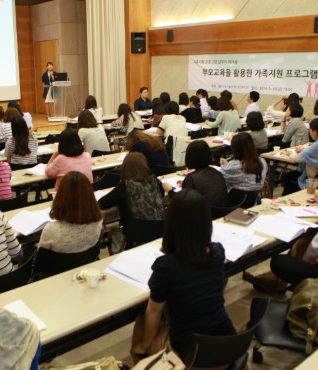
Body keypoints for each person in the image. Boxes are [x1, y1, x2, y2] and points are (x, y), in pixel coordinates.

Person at [131, 189, 235, 358]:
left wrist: (145, 345)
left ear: (171, 224)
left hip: (192, 353)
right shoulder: (217, 251)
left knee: (141, 324)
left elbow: (154, 311)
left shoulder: (167, 265)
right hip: (227, 343)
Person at [38, 171, 103, 253]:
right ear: (90, 193)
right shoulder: (98, 221)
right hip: (88, 260)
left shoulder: (51, 230)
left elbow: (41, 256)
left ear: (60, 196)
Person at [99, 152, 166, 224]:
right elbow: (161, 194)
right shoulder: (154, 179)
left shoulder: (125, 185)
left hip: (135, 229)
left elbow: (102, 204)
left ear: (125, 167)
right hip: (161, 227)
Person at [162, 140, 228, 208]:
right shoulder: (217, 173)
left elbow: (182, 203)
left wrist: (169, 191)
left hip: (204, 213)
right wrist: (186, 184)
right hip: (222, 211)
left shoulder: (191, 179)